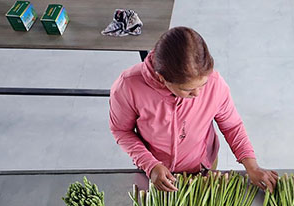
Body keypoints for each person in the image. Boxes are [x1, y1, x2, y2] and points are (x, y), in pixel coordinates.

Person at [109, 26, 278, 192]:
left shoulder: (215, 84)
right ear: (162, 79)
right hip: (157, 171)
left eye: (203, 84)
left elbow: (232, 126)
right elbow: (121, 130)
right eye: (187, 90)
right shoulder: (128, 86)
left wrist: (252, 166)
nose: (197, 94)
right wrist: (150, 165)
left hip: (204, 166)